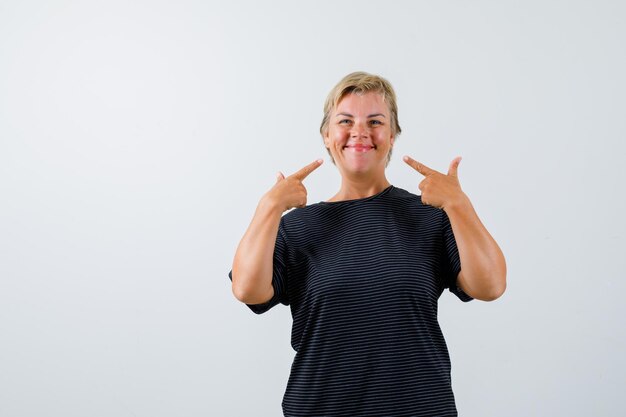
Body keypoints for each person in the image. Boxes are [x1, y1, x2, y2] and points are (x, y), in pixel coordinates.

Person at [228, 71, 507, 417]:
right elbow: (248, 290)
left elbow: (490, 286)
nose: (359, 131)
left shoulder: (431, 218)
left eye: (375, 121)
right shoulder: (296, 227)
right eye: (346, 121)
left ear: (391, 136)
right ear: (327, 136)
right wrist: (268, 208)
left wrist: (459, 205)